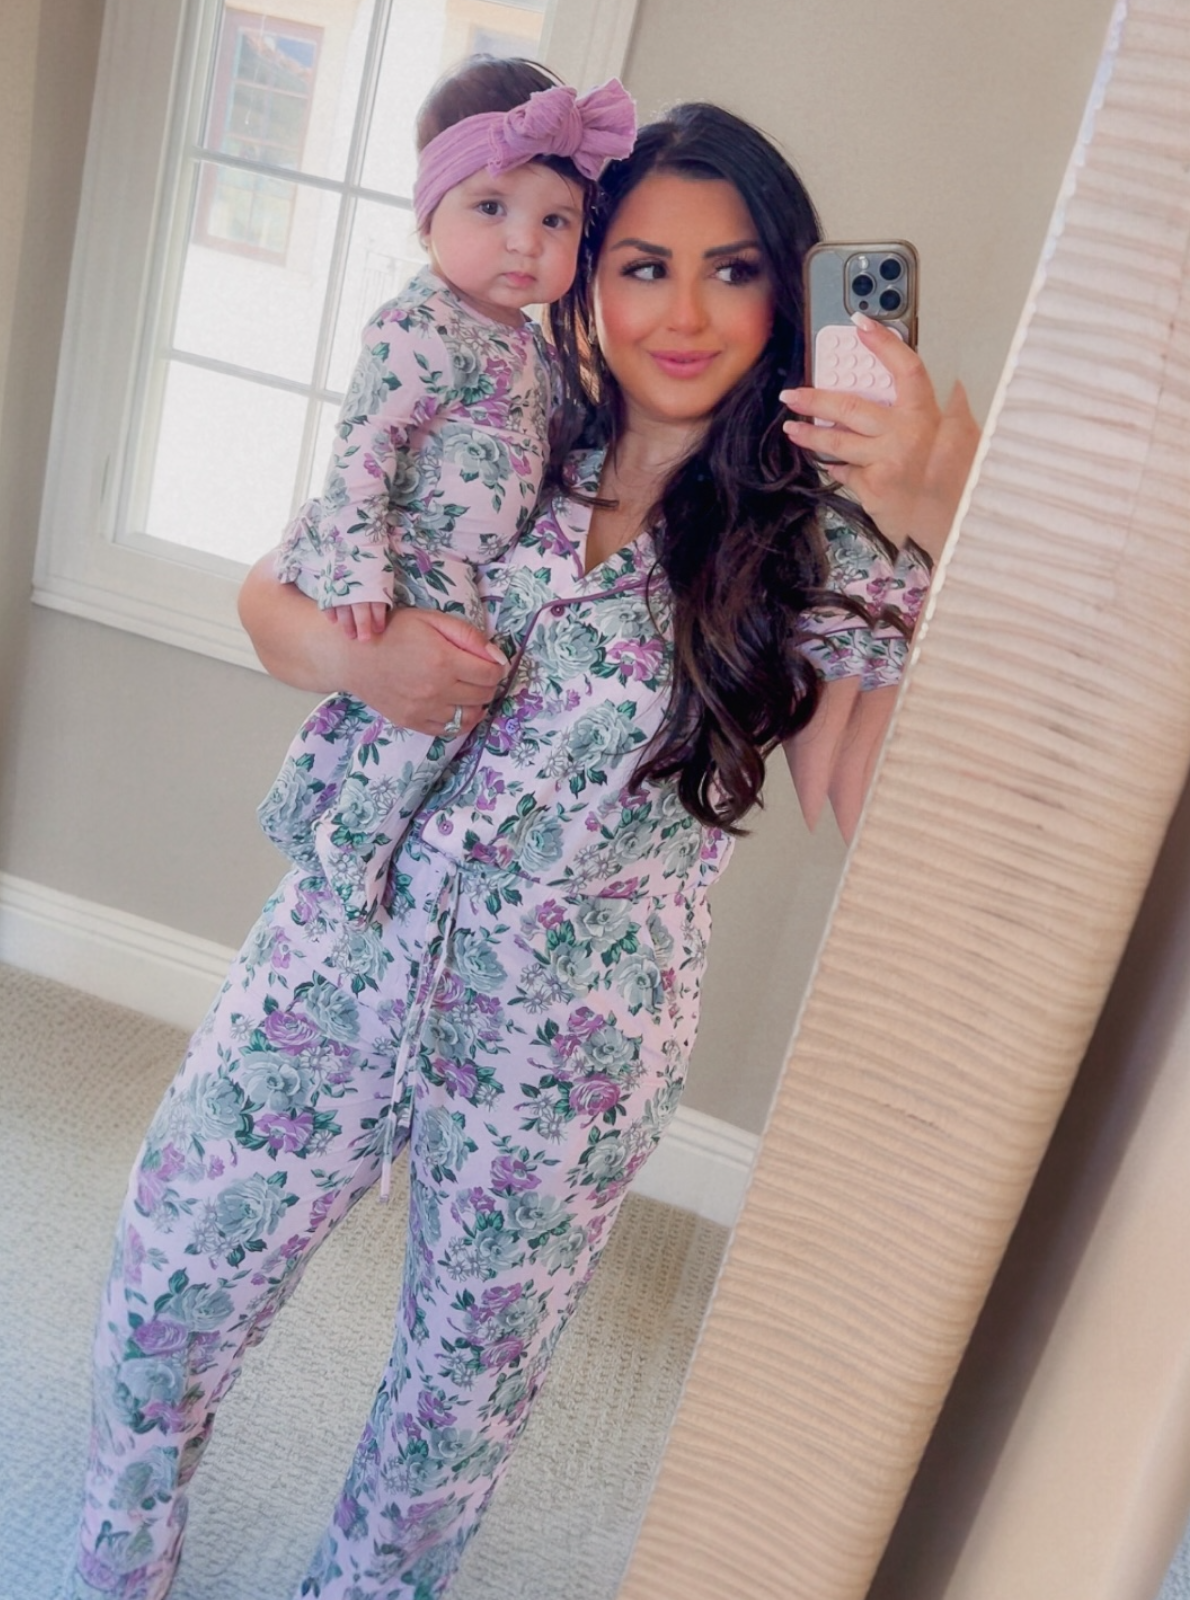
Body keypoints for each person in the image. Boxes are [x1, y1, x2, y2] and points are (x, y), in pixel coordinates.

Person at [68, 102, 978, 1600]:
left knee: (454, 1406)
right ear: (587, 277)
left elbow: (871, 801)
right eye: (638, 265)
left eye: (733, 269)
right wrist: (365, 668)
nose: (681, 313)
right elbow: (270, 601)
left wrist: (944, 519)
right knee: (165, 1287)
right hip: (341, 956)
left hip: (562, 1047)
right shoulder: (500, 411)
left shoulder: (822, 541)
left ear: (786, 290)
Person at [259, 59, 635, 926]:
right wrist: (359, 571)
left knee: (398, 712)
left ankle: (301, 804)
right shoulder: (418, 326)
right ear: (431, 217)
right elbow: (361, 449)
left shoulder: (529, 346)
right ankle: (350, 845)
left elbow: (541, 441)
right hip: (406, 548)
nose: (524, 242)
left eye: (555, 220)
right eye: (491, 209)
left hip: (461, 561)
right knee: (444, 701)